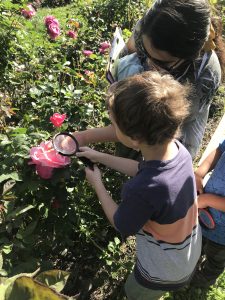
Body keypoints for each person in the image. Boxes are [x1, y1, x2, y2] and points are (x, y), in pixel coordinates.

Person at [76, 71, 202, 300]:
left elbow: (120, 222)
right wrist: (100, 156)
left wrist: (98, 184)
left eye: (114, 125)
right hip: (186, 252)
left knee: (132, 294)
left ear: (134, 139)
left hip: (160, 272)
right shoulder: (178, 152)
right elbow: (142, 169)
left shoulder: (141, 190)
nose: (111, 127)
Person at [73, 0, 224, 159]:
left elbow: (148, 128)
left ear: (190, 55)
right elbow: (129, 50)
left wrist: (84, 137)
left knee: (155, 162)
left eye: (161, 62)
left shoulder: (204, 76)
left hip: (170, 134)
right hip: (145, 121)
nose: (149, 63)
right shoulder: (151, 27)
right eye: (145, 51)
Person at [190, 140, 225, 288]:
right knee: (196, 244)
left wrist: (208, 199)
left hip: (222, 236)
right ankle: (190, 266)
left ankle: (202, 281)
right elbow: (219, 151)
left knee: (215, 260)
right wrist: (199, 174)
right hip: (204, 214)